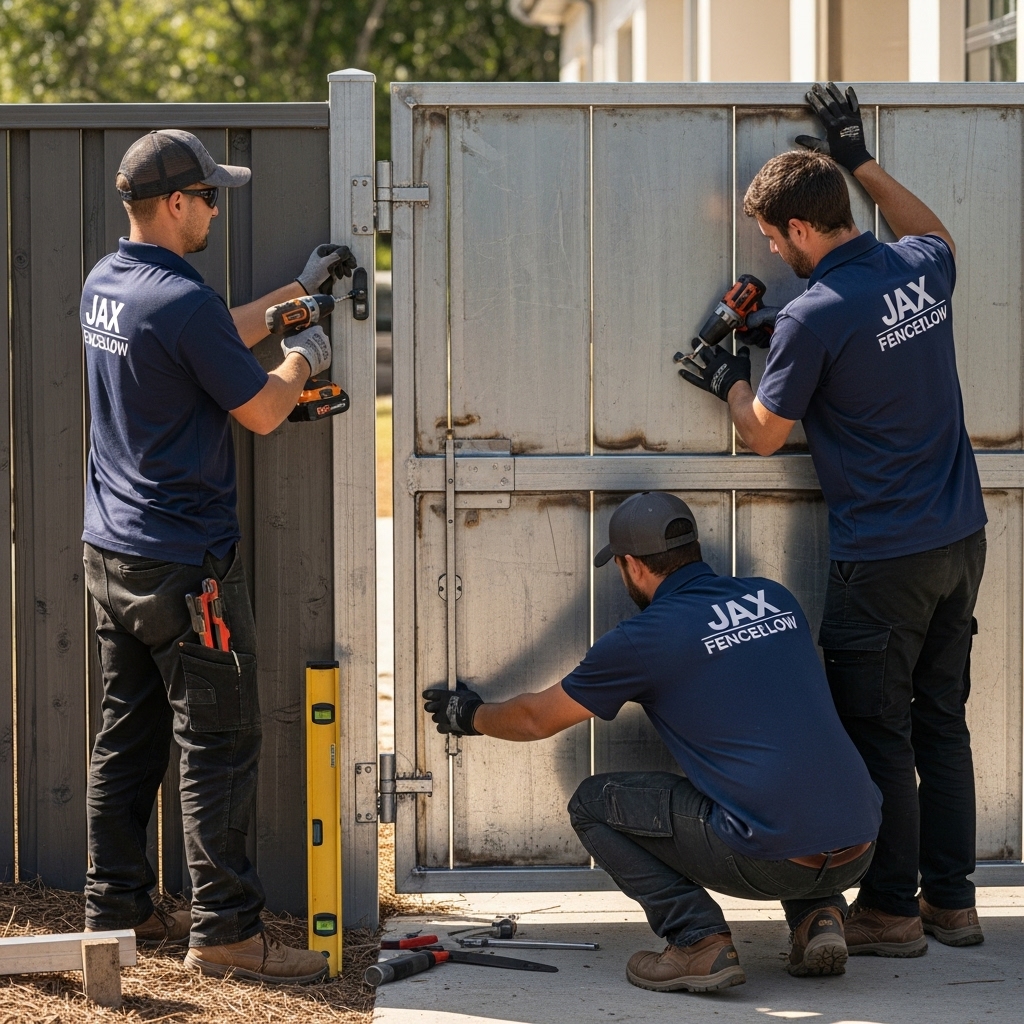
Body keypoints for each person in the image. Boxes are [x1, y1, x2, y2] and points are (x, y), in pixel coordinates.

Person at [679, 83, 987, 956]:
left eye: (775, 238)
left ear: (803, 231)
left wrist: (721, 374)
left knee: (878, 731)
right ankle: (953, 905)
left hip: (882, 558)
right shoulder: (919, 269)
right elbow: (936, 232)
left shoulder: (813, 315)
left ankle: (891, 910)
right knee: (941, 721)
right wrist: (857, 156)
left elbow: (768, 434)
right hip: (959, 540)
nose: (774, 252)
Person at [81, 130, 356, 984]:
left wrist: (296, 294)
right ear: (174, 205)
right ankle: (228, 933)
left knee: (127, 736)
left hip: (112, 553)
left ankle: (116, 910)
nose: (213, 208)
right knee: (218, 741)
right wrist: (303, 355)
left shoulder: (107, 283)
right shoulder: (181, 298)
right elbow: (263, 412)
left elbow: (200, 337)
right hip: (185, 562)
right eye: (207, 196)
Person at [422, 492, 881, 993]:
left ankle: (697, 942)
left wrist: (469, 714)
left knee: (592, 803)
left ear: (632, 566)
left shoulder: (645, 638)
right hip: (860, 844)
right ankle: (820, 917)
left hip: (769, 860)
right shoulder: (774, 598)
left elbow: (535, 719)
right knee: (778, 772)